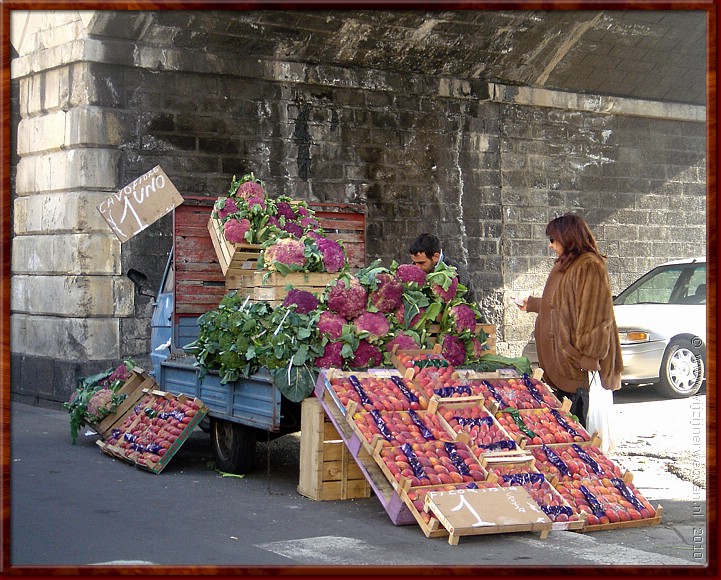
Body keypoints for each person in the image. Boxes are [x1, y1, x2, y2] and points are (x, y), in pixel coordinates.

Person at [514, 213, 622, 427]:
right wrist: (533, 304)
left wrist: (587, 358)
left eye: (553, 240)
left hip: (577, 367)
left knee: (581, 431)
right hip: (565, 363)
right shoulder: (567, 264)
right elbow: (562, 303)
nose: (551, 246)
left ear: (568, 237)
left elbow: (596, 317)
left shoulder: (589, 266)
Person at [408, 233, 477, 303]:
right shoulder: (413, 269)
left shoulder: (458, 274)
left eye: (421, 263)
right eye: (414, 262)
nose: (417, 267)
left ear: (436, 257)